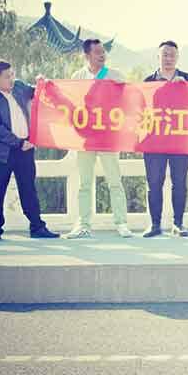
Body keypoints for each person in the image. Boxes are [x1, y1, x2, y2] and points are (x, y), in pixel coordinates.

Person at [0, 60, 59, 242]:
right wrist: (18, 143)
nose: (12, 79)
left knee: (29, 189)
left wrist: (42, 83)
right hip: (3, 152)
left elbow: (38, 92)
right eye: (7, 76)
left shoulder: (19, 86)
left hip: (26, 149)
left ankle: (37, 227)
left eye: (12, 74)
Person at [66, 38, 133, 239]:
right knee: (85, 183)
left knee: (114, 181)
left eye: (103, 52)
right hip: (86, 138)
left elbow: (128, 99)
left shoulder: (115, 76)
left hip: (108, 136)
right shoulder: (78, 76)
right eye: (97, 52)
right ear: (87, 55)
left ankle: (121, 222)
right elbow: (71, 103)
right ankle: (83, 224)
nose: (102, 55)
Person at [142, 41, 188, 237]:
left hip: (180, 140)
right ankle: (155, 224)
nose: (168, 58)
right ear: (158, 57)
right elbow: (141, 108)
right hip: (154, 140)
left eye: (172, 55)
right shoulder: (148, 81)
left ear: (177, 57)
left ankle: (178, 223)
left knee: (179, 183)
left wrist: (185, 89)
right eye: (165, 54)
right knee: (154, 183)